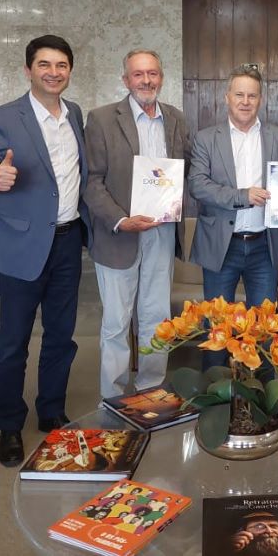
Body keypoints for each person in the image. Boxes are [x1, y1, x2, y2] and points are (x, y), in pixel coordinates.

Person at [0, 34, 93, 465]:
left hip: (67, 241)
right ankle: (8, 424)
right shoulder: (3, 117)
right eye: (44, 64)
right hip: (21, 245)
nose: (53, 73)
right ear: (28, 70)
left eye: (61, 65)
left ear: (69, 71)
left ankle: (51, 411)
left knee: (61, 336)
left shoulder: (74, 114)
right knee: (14, 341)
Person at [84, 49, 189, 399]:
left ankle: (150, 391)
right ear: (126, 80)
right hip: (118, 236)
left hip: (161, 232)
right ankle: (113, 398)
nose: (146, 80)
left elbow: (185, 171)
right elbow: (91, 181)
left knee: (157, 318)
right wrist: (121, 219)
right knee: (116, 323)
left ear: (161, 77)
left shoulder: (176, 119)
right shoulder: (101, 119)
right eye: (139, 74)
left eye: (153, 73)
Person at [187, 64, 278, 370]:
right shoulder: (206, 138)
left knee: (265, 328)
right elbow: (197, 185)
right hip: (222, 246)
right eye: (239, 95)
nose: (245, 101)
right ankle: (215, 391)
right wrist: (242, 196)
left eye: (252, 95)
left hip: (263, 246)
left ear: (261, 99)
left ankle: (263, 393)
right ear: (227, 97)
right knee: (218, 328)